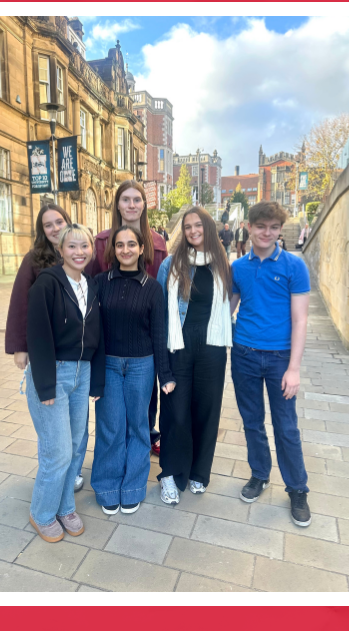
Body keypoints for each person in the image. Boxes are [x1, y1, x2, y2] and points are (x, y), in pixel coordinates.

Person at [229, 201, 313, 527]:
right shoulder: (238, 268)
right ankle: (259, 474)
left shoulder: (294, 266)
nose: (267, 233)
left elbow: (301, 320)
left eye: (274, 227)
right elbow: (228, 308)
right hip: (245, 355)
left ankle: (297, 488)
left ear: (280, 230)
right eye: (261, 226)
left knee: (286, 427)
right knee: (252, 422)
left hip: (280, 359)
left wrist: (294, 368)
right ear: (249, 227)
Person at [24, 224, 105, 542]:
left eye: (84, 245)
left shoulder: (92, 285)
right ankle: (42, 511)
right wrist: (44, 385)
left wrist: (95, 380)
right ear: (60, 250)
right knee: (56, 449)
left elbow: (97, 335)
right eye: (72, 246)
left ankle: (65, 506)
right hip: (53, 373)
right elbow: (38, 336)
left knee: (75, 446)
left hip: (81, 373)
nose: (79, 252)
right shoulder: (47, 284)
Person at [3, 204, 87, 493]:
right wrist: (19, 347)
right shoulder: (34, 260)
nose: (53, 228)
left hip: (73, 355)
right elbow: (20, 304)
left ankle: (69, 473)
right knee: (52, 428)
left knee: (74, 428)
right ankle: (51, 473)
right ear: (42, 230)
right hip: (46, 354)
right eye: (47, 225)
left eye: (58, 221)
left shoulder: (78, 254)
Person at [92, 225, 175, 514]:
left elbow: (159, 333)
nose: (125, 250)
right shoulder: (100, 282)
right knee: (110, 426)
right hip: (110, 365)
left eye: (131, 244)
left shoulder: (152, 288)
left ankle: (133, 487)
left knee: (138, 427)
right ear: (112, 250)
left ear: (142, 249)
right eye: (119, 245)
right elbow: (93, 329)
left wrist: (165, 375)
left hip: (142, 365)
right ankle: (106, 486)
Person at [155, 206, 233, 504]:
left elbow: (229, 302)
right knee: (175, 412)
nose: (192, 231)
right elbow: (162, 313)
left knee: (207, 410)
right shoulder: (172, 265)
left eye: (198, 225)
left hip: (212, 348)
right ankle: (170, 475)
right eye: (187, 227)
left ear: (208, 228)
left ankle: (199, 473)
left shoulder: (222, 263)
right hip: (180, 347)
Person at [87, 181, 170, 455]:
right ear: (118, 205)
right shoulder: (101, 242)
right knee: (111, 401)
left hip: (143, 335)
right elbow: (89, 287)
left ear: (144, 205)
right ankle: (115, 446)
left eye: (137, 199)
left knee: (146, 396)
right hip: (110, 335)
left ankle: (143, 438)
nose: (132, 205)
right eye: (126, 199)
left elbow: (164, 287)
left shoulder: (158, 244)